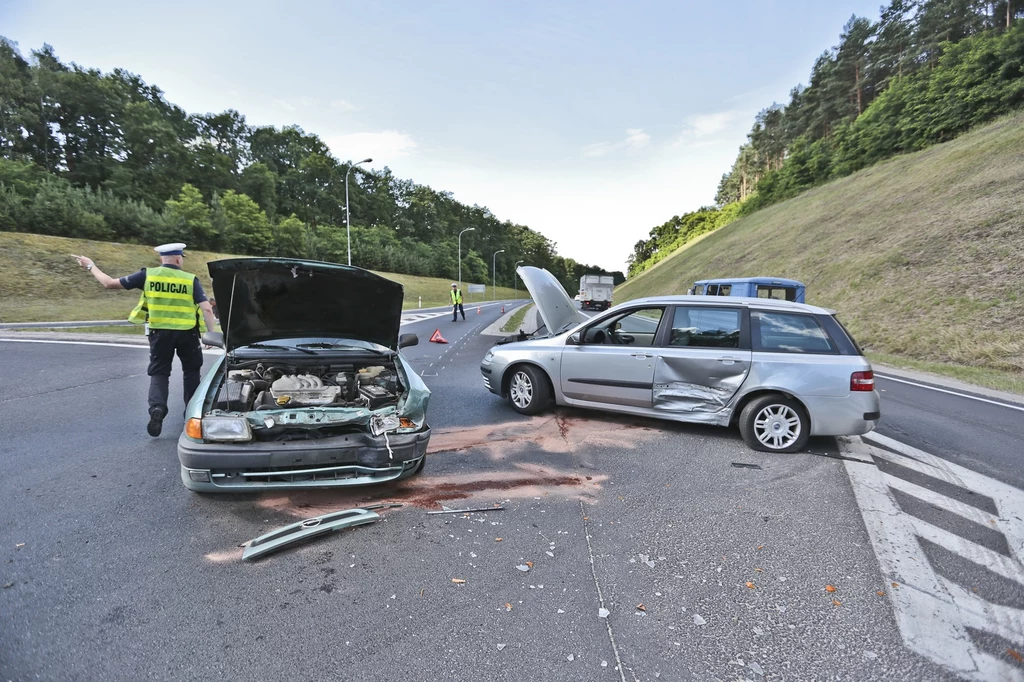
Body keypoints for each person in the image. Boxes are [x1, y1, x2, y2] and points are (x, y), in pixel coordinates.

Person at [74, 243, 218, 437]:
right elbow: (207, 308)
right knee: (191, 373)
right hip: (187, 334)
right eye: (182, 257)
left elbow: (109, 283)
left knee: (159, 373)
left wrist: (91, 266)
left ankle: (157, 409)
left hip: (159, 334)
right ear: (178, 259)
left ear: (161, 259)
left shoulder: (147, 275)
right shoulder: (190, 279)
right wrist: (210, 334)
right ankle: (190, 415)